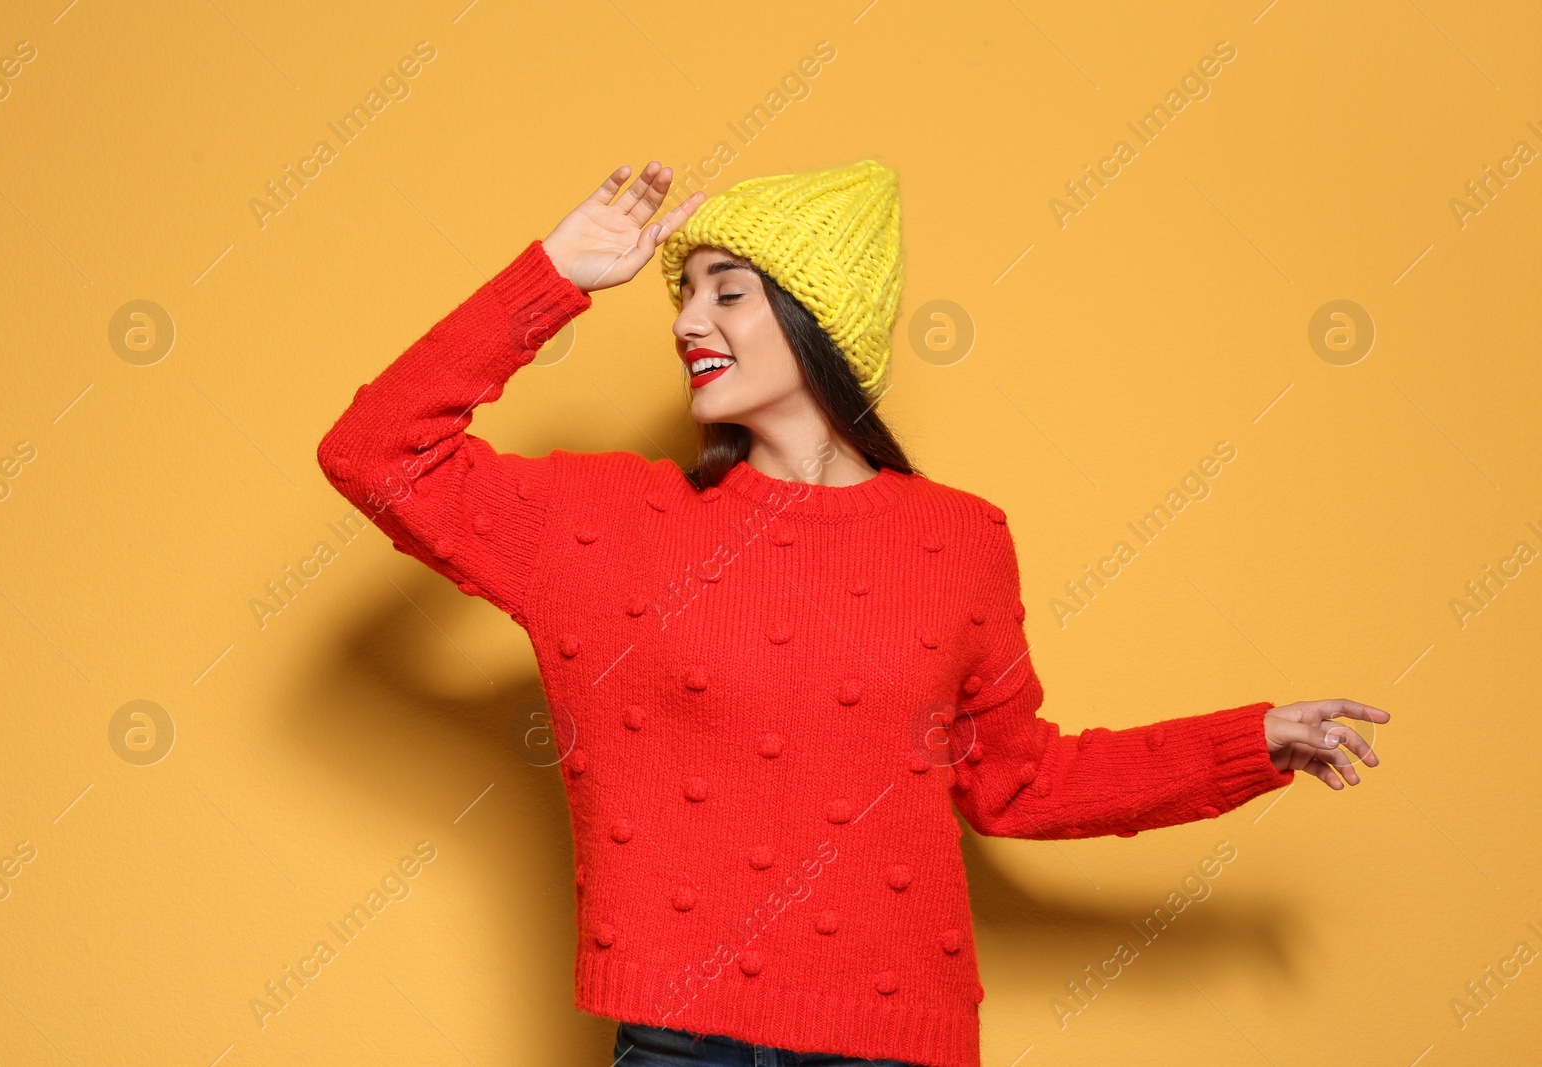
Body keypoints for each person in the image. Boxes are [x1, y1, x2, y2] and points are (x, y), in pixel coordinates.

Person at [315, 157, 1388, 1067]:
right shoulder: (606, 523)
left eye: (726, 289)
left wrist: (1248, 742)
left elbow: (1019, 782)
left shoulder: (960, 539)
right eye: (684, 291)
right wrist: (555, 276)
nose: (687, 319)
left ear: (815, 316)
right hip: (682, 1036)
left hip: (901, 1034)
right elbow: (374, 451)